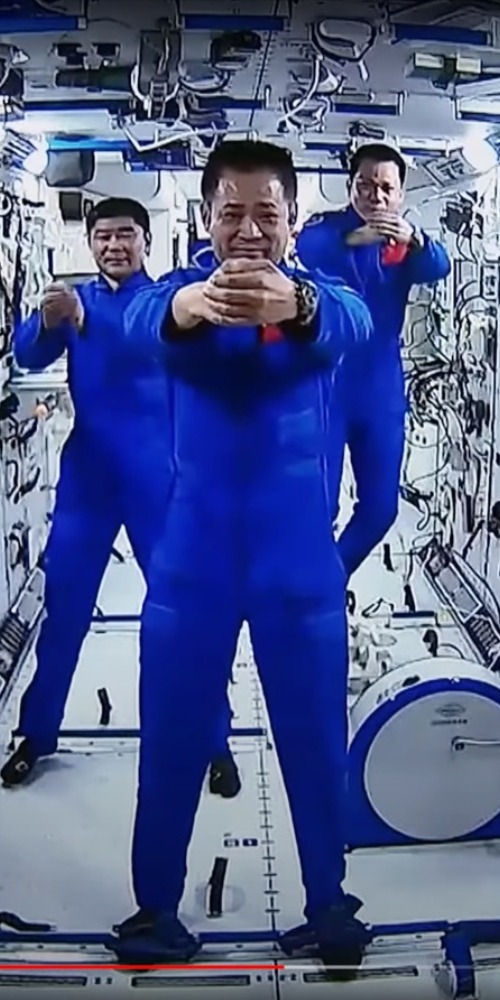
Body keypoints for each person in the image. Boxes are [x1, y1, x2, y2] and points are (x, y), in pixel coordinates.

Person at [110, 139, 375, 977]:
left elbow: (355, 322)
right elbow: (137, 323)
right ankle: (156, 907)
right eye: (233, 213)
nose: (250, 230)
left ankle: (329, 904)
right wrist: (189, 307)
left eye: (268, 213)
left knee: (315, 739)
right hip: (194, 566)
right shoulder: (178, 297)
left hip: (297, 568)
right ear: (206, 219)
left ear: (294, 220)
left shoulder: (321, 297)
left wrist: (297, 303)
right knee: (173, 737)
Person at [1, 197, 240, 799]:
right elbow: (28, 354)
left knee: (184, 613)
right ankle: (37, 733)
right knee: (65, 610)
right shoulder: (74, 301)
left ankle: (214, 739)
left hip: (159, 479)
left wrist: (85, 319)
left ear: (145, 242)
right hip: (89, 479)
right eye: (103, 236)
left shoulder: (166, 299)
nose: (114, 246)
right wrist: (45, 321)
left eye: (126, 235)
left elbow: (142, 342)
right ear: (89, 243)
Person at [295, 142, 451, 579]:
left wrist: (413, 239)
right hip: (328, 387)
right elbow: (309, 247)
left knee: (381, 509)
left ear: (400, 194)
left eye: (386, 188)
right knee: (318, 507)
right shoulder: (329, 231)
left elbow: (439, 266)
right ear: (350, 187)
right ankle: (307, 592)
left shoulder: (408, 244)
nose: (375, 196)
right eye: (365, 185)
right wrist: (359, 237)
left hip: (380, 390)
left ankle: (329, 578)